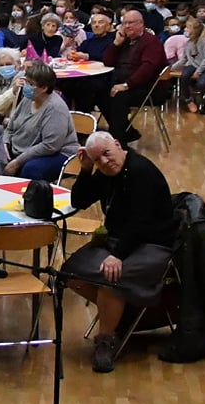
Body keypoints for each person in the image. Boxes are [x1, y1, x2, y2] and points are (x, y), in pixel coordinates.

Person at [63, 133, 178, 372]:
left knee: (110, 279)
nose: (104, 162)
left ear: (118, 145)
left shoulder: (140, 171)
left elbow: (141, 222)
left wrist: (118, 256)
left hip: (152, 243)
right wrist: (85, 170)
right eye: (98, 160)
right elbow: (79, 200)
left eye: (107, 154)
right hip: (119, 241)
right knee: (69, 274)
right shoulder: (106, 172)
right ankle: (122, 312)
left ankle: (105, 340)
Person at [3, 63, 77, 185]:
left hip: (57, 154)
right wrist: (5, 143)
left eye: (31, 84)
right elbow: (10, 127)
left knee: (30, 169)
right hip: (22, 150)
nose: (26, 86)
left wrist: (18, 161)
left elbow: (50, 146)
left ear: (44, 88)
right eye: (26, 82)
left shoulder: (55, 108)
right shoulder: (28, 99)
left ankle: (31, 201)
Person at [99, 8, 166, 142]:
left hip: (148, 88)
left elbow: (147, 69)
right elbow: (107, 61)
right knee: (98, 92)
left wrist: (126, 85)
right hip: (125, 83)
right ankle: (127, 132)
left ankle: (119, 142)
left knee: (118, 97)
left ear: (141, 23)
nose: (127, 26)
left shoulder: (151, 42)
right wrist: (116, 44)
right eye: (125, 23)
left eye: (131, 23)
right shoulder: (125, 40)